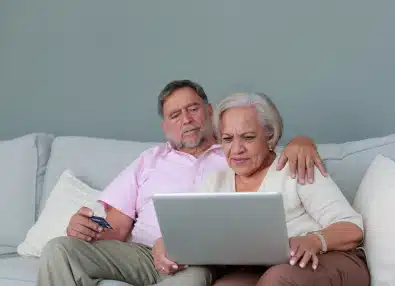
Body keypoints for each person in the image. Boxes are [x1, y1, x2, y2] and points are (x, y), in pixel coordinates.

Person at [37, 80, 327, 286]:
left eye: (193, 109)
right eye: (175, 115)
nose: (186, 119)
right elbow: (118, 225)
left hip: (197, 260)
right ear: (165, 127)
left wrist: (304, 141)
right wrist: (87, 229)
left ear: (210, 111)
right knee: (58, 249)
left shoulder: (234, 151)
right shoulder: (148, 161)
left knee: (194, 280)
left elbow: (273, 149)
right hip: (142, 253)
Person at [197, 92, 370, 286]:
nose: (237, 149)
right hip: (262, 267)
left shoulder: (296, 166)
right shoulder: (214, 183)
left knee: (277, 279)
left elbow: (352, 228)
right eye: (228, 139)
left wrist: (313, 241)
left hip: (331, 257)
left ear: (269, 136)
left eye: (248, 137)